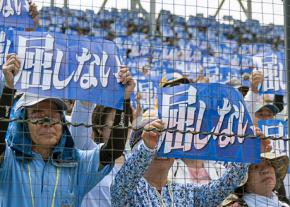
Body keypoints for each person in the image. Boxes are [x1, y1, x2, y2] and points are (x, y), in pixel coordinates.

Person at [0, 54, 126, 206]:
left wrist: (123, 99)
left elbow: (114, 150)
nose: (48, 124)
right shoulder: (9, 162)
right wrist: (8, 88)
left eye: (54, 116)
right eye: (38, 116)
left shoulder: (76, 163)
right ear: (23, 123)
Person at [111, 116, 271, 207]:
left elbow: (227, 183)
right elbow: (122, 184)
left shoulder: (187, 192)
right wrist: (147, 148)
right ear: (138, 149)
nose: (159, 148)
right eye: (153, 141)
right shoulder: (128, 190)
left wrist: (247, 152)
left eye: (167, 142)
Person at [70, 66, 135, 207]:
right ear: (100, 128)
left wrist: (125, 98)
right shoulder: (87, 152)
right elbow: (80, 121)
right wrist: (90, 87)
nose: (125, 125)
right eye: (114, 121)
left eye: (126, 120)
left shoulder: (134, 161)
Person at [221, 153, 289, 207]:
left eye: (269, 164)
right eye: (256, 167)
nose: (265, 170)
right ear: (244, 180)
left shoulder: (283, 204)